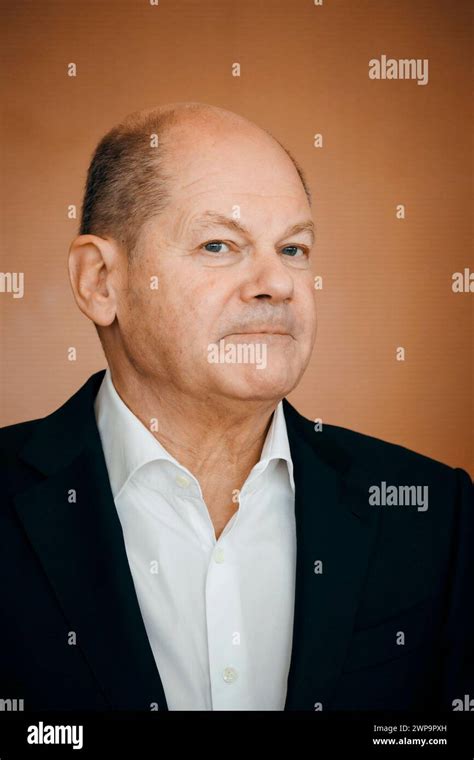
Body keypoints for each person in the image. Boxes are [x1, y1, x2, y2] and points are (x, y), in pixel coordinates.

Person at [0, 103, 472, 712]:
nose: (276, 282)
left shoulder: (434, 513)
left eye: (294, 249)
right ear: (100, 281)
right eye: (220, 244)